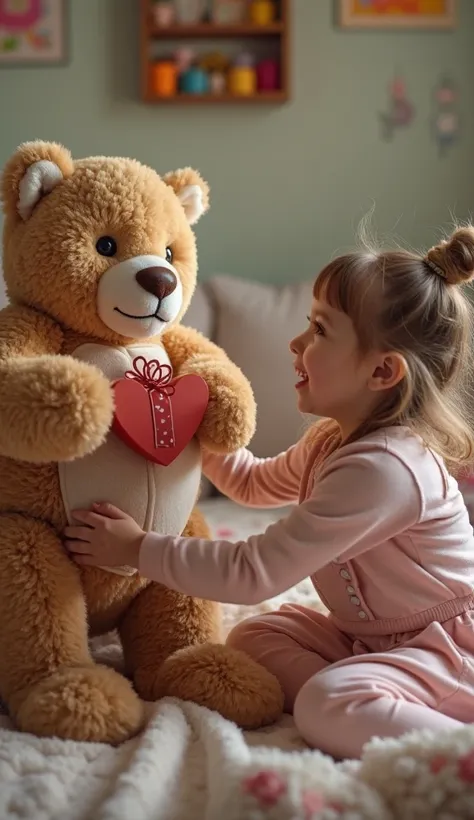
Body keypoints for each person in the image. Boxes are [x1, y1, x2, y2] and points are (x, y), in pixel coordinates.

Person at [65, 225, 474, 760]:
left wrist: (137, 549)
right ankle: (373, 686)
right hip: (369, 636)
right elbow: (255, 483)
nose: (297, 342)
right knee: (256, 637)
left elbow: (256, 572)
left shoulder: (388, 470)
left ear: (381, 370)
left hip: (444, 646)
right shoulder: (332, 440)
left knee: (328, 704)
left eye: (321, 331)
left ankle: (447, 738)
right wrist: (195, 426)